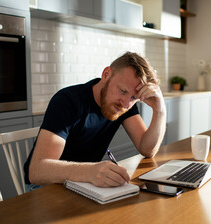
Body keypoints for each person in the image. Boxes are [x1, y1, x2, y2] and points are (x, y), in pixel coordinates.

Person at [24, 51, 166, 191]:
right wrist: (91, 172)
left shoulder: (124, 104)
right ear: (106, 75)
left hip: (84, 184)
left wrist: (160, 111)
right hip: (48, 187)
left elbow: (147, 149)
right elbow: (37, 172)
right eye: (122, 91)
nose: (125, 103)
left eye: (134, 98)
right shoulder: (67, 101)